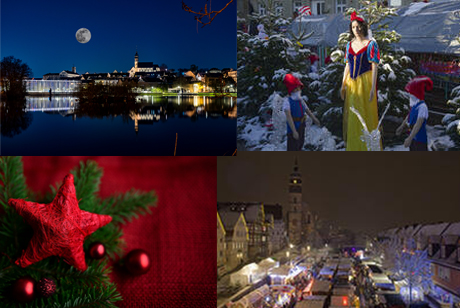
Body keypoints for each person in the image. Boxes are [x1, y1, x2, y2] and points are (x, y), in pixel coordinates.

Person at [340, 11, 380, 151]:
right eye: (353, 27)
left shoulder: (370, 44)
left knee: (366, 114)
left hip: (365, 82)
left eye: (358, 27)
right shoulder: (349, 45)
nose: (356, 30)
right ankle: (354, 147)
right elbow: (347, 65)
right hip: (353, 84)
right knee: (354, 115)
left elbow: (375, 67)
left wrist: (372, 88)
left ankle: (367, 148)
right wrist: (343, 84)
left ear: (363, 27)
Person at [283, 74, 321, 151]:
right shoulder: (287, 101)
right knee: (293, 146)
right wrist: (293, 131)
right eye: (296, 89)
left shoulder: (300, 100)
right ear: (291, 90)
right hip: (293, 126)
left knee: (300, 143)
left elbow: (307, 110)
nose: (298, 90)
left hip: (301, 126)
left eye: (299, 88)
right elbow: (289, 117)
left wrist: (314, 119)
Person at [396, 76, 433, 151]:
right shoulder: (414, 105)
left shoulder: (422, 107)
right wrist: (402, 126)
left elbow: (418, 124)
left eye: (411, 92)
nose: (409, 94)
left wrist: (409, 139)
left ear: (417, 93)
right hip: (413, 138)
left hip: (420, 140)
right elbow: (409, 115)